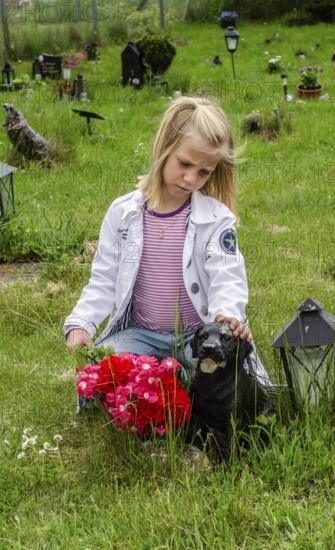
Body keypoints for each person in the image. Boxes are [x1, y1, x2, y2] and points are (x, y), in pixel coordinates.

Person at [64, 96, 270, 387]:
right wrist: (81, 323)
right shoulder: (122, 213)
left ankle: (177, 377)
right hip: (140, 333)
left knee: (228, 385)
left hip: (197, 335)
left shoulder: (215, 219)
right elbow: (104, 280)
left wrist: (226, 316)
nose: (190, 178)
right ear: (164, 147)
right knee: (100, 376)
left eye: (204, 172)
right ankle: (165, 376)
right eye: (184, 163)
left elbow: (228, 276)